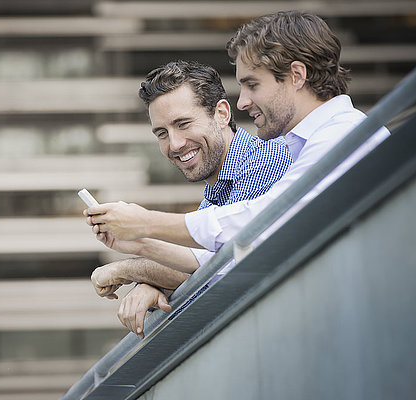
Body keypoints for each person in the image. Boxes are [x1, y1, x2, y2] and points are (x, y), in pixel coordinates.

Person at [85, 11, 389, 336]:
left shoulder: (330, 139)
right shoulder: (305, 145)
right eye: (161, 132)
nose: (243, 101)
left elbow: (257, 237)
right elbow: (222, 261)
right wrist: (141, 247)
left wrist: (144, 232)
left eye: (252, 84)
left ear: (297, 76)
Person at [89, 60, 292, 337]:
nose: (174, 144)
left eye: (183, 124)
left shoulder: (264, 160)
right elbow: (198, 264)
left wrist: (132, 270)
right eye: (162, 133)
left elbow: (223, 272)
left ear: (221, 113)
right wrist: (148, 277)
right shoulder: (214, 194)